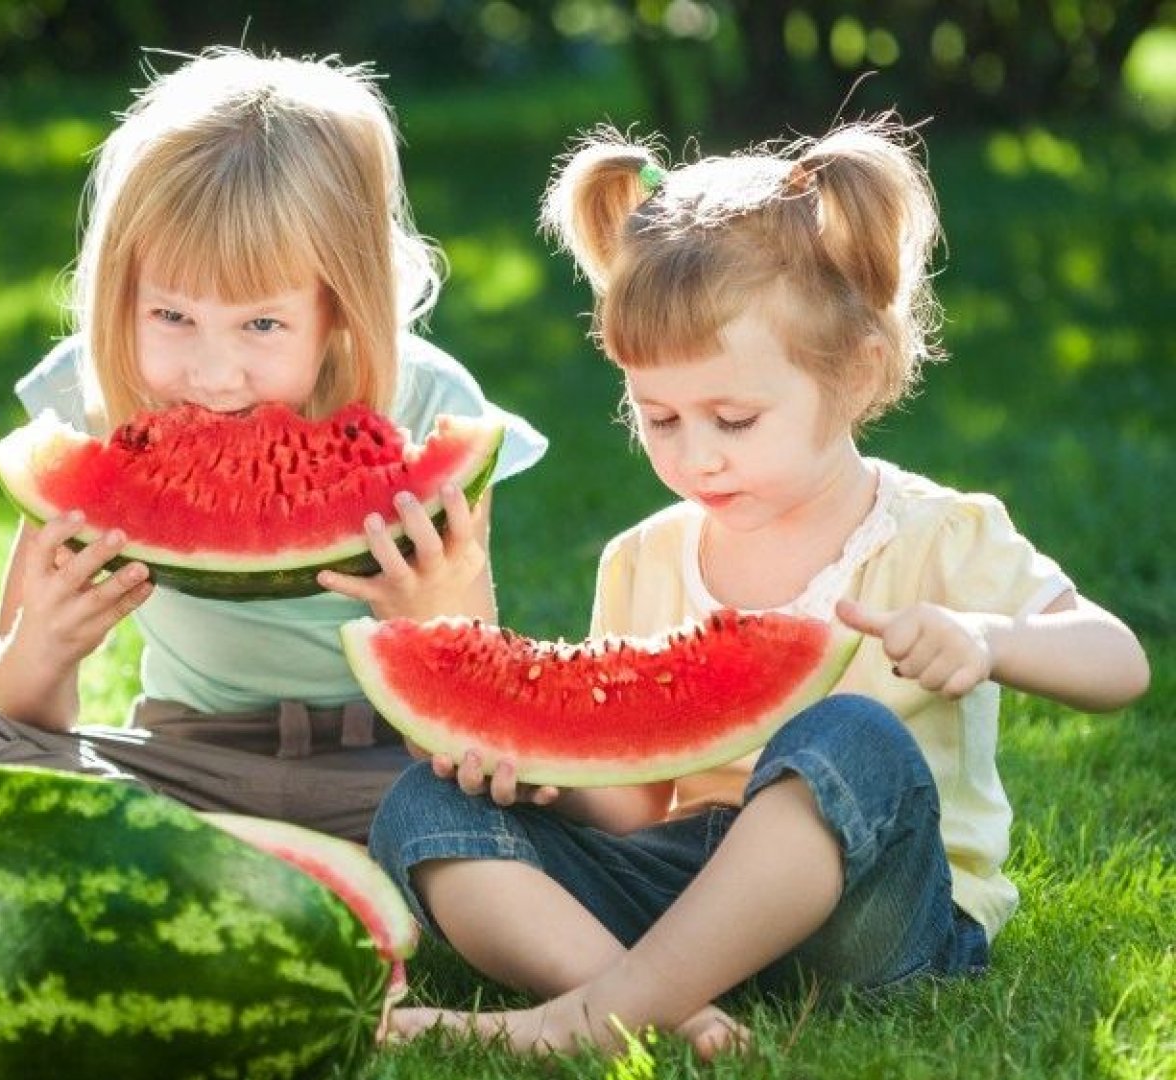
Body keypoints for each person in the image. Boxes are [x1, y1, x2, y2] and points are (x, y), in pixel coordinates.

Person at [367, 119, 1151, 1058]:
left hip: (871, 919)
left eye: (733, 419)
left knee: (851, 738)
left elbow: (1121, 663)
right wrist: (539, 773)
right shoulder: (641, 560)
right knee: (421, 810)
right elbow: (634, 807)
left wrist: (988, 639)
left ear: (855, 375)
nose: (695, 456)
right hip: (676, 889)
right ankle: (667, 1009)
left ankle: (587, 1012)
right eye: (657, 417)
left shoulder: (942, 532)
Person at [0, 47, 545, 841]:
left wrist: (431, 624)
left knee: (490, 806)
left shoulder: (436, 408)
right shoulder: (89, 394)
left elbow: (458, 735)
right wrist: (47, 647)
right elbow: (23, 710)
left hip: (386, 777)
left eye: (262, 324)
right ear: (118, 294)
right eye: (171, 316)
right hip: (179, 764)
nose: (212, 373)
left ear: (341, 304)